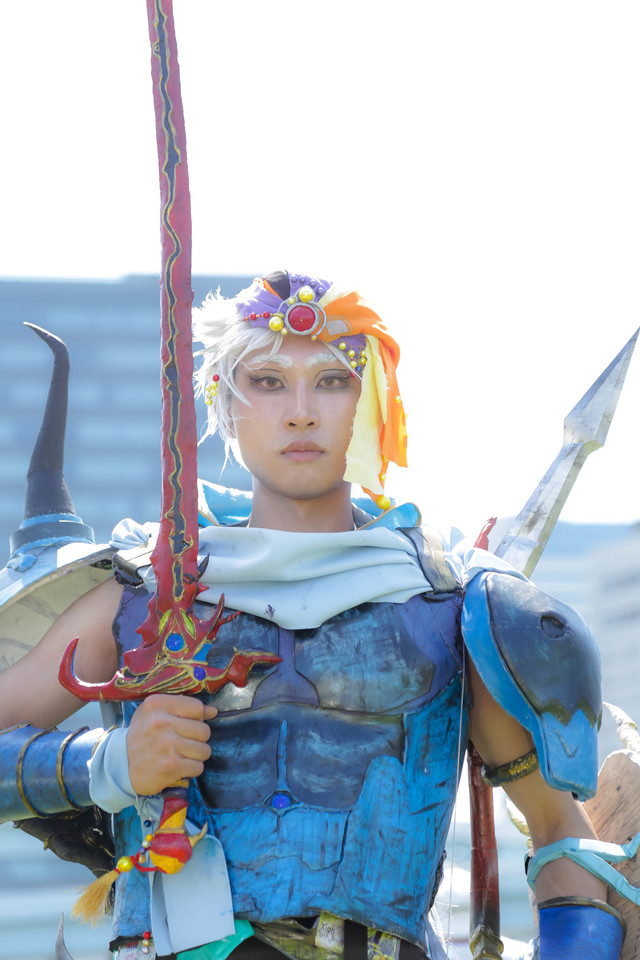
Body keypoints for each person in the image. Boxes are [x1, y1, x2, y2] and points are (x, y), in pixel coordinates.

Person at [0, 270, 626, 960]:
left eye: (333, 381)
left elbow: (562, 843)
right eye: (268, 382)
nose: (301, 413)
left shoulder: (452, 605)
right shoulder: (143, 592)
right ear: (224, 404)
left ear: (374, 404)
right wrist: (111, 761)